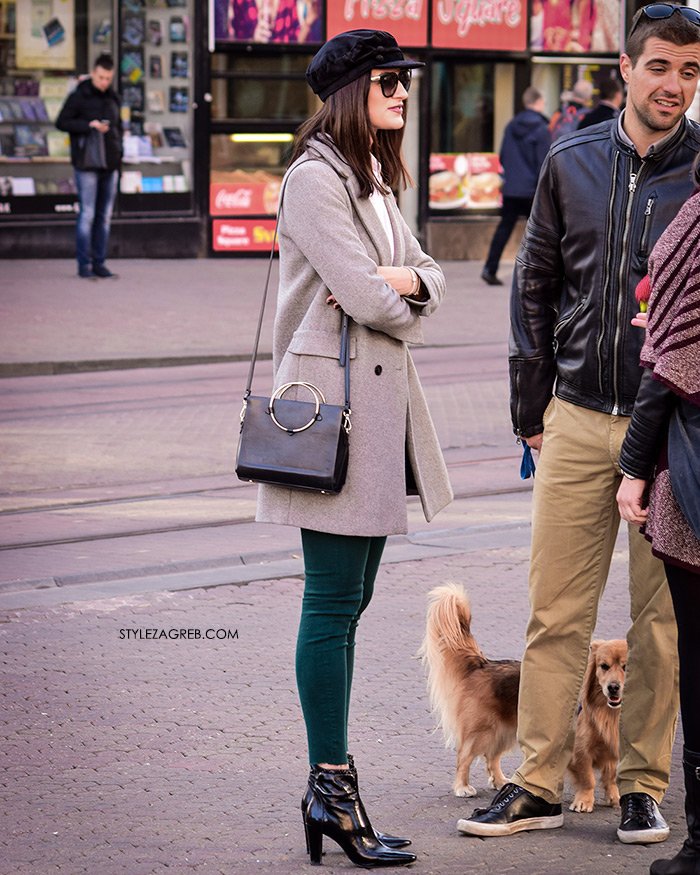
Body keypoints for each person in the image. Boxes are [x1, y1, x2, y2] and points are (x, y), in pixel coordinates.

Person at [456, 2, 700, 846]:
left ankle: (641, 786)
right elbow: (535, 290)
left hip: (671, 430)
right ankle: (532, 781)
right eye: (661, 66)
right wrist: (532, 411)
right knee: (555, 611)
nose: (675, 84)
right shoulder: (569, 159)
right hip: (575, 416)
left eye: (691, 72)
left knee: (659, 620)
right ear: (626, 70)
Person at [255, 28, 453, 868]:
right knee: (332, 602)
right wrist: (403, 287)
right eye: (389, 82)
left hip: (376, 410)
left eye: (404, 82)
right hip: (330, 416)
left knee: (355, 594)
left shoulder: (371, 177)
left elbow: (425, 273)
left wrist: (407, 284)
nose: (404, 94)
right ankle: (330, 785)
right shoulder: (313, 179)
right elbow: (373, 293)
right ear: (351, 92)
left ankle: (328, 786)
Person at [617, 178, 700, 875]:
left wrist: (633, 466)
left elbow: (671, 361)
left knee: (697, 657)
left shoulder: (694, 224)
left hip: (695, 476)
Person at [56, 54, 122, 280]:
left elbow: (119, 127)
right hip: (87, 163)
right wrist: (88, 126)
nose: (104, 82)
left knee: (104, 217)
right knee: (88, 214)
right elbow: (61, 122)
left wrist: (118, 150)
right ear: (93, 73)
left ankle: (100, 264)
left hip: (109, 163)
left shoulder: (113, 97)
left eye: (108, 78)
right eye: (101, 77)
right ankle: (84, 265)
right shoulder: (79, 96)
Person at [481, 86, 550, 286]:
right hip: (532, 190)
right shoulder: (542, 128)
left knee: (504, 229)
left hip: (512, 188)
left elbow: (502, 156)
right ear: (538, 102)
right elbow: (544, 163)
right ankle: (536, 275)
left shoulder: (511, 125)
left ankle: (489, 268)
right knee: (539, 234)